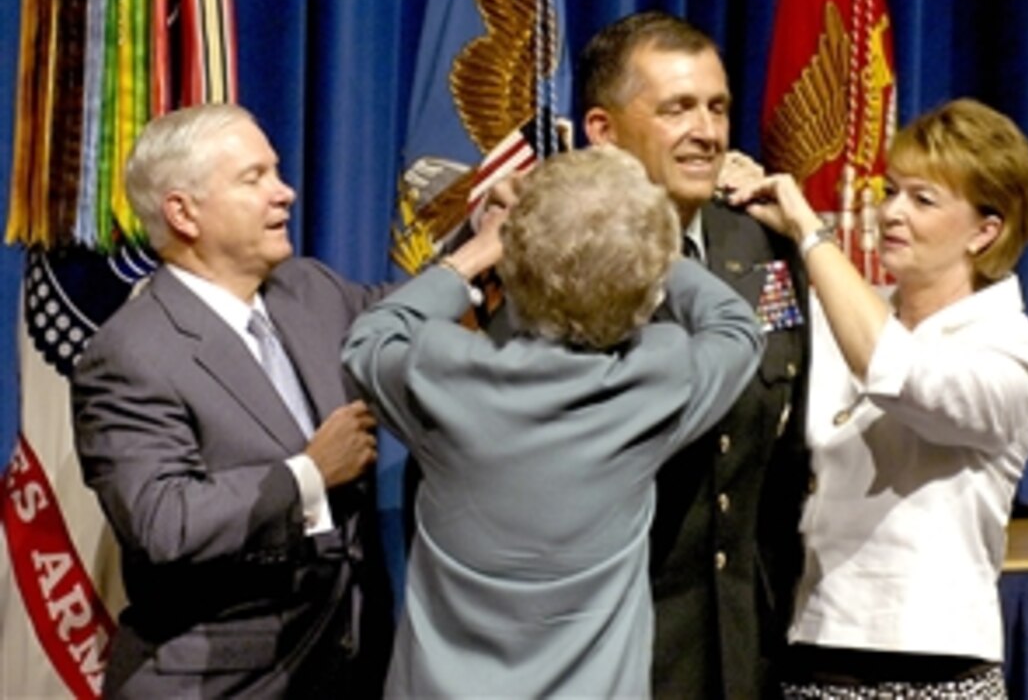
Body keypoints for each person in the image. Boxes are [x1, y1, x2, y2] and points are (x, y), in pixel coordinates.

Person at [342, 146, 765, 697]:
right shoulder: (657, 382)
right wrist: (642, 240)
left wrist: (473, 254)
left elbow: (370, 337)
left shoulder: (440, 374)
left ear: (514, 264)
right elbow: (736, 326)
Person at [720, 98, 1028, 697]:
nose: (892, 214)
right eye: (892, 191)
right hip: (812, 654)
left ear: (986, 231)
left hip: (934, 672)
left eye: (923, 200)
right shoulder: (850, 309)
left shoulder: (1016, 352)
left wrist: (809, 230)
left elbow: (894, 371)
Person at [71, 103, 394, 698]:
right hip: (222, 683)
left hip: (343, 671)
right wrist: (308, 475)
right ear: (183, 212)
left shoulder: (308, 289)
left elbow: (404, 317)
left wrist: (483, 241)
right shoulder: (128, 354)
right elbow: (162, 522)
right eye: (255, 178)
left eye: (276, 172)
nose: (286, 193)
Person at [577, 12, 812, 698]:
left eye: (717, 108)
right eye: (677, 108)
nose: (707, 132)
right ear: (603, 131)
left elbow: (782, 460)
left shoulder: (759, 246)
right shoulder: (560, 264)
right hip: (614, 650)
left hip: (741, 647)